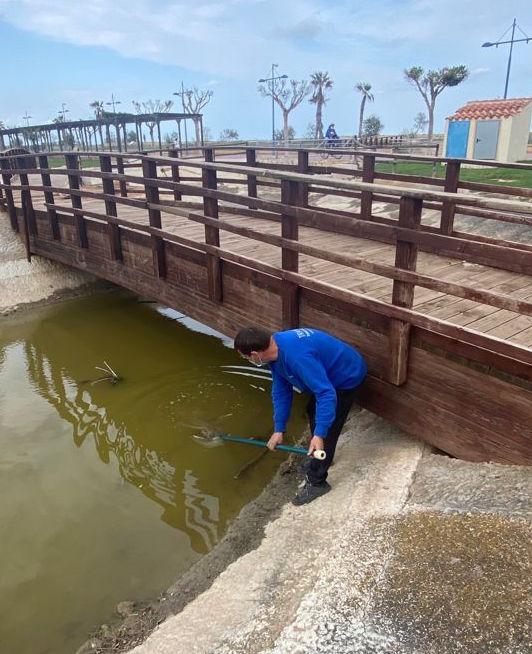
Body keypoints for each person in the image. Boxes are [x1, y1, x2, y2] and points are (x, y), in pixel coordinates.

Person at [234, 326, 367, 506]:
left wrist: (319, 434)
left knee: (328, 429)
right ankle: (323, 456)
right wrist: (279, 428)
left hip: (346, 375)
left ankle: (317, 482)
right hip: (328, 374)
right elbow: (281, 391)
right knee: (312, 410)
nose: (248, 360)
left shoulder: (297, 358)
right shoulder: (275, 349)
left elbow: (326, 393)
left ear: (256, 354)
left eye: (246, 357)